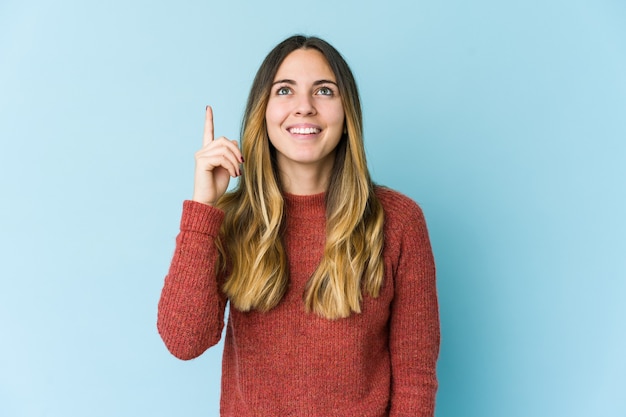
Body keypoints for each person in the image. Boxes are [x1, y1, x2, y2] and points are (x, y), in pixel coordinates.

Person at [157, 35, 440, 417]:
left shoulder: (399, 222)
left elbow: (414, 379)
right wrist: (202, 209)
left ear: (347, 114)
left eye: (324, 91)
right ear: (263, 111)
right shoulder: (228, 220)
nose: (304, 107)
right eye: (285, 90)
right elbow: (184, 340)